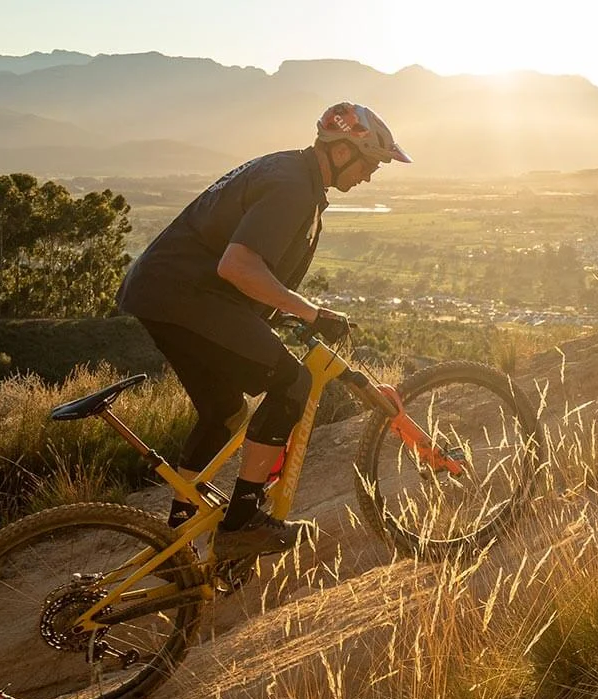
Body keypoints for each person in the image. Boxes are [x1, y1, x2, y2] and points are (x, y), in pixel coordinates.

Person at [116, 101, 411, 562]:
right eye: (371, 163)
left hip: (163, 293)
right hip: (186, 296)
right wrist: (312, 313)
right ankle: (243, 522)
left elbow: (246, 267)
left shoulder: (291, 173)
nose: (371, 175)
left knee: (223, 410)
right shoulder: (292, 186)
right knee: (293, 382)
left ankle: (179, 538)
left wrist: (286, 311)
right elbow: (238, 265)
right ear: (341, 152)